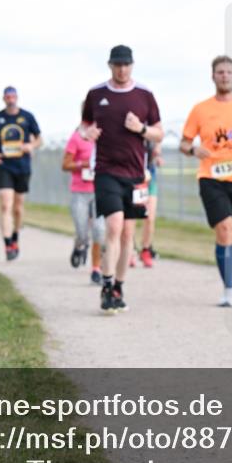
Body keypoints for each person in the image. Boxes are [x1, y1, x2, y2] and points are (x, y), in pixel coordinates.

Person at [81, 44, 163, 314]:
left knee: (128, 233)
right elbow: (85, 125)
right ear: (110, 65)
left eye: (126, 64)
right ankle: (106, 286)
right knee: (114, 226)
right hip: (106, 171)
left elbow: (159, 133)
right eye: (117, 65)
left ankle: (118, 285)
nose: (122, 69)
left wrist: (140, 128)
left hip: (136, 174)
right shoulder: (96, 94)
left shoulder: (144, 95)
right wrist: (87, 134)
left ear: (132, 65)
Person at [180, 55, 232, 307]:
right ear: (213, 76)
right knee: (225, 229)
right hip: (211, 177)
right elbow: (184, 142)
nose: (224, 76)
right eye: (220, 72)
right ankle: (228, 289)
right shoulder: (200, 109)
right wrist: (193, 150)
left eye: (228, 72)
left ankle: (223, 253)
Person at [0, 86, 41, 260]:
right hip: (3, 164)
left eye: (13, 96)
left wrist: (31, 145)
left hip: (22, 165)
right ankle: (7, 244)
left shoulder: (27, 116)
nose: (10, 99)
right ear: (4, 98)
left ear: (17, 97)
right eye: (7, 96)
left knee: (17, 207)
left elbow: (39, 138)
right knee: (5, 204)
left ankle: (15, 236)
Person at [62, 104, 106, 283]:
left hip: (99, 190)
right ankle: (80, 244)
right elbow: (65, 165)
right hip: (80, 191)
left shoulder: (104, 136)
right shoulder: (76, 138)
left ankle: (96, 269)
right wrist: (83, 164)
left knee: (99, 231)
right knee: (82, 231)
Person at [137, 139, 162, 267]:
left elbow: (158, 139)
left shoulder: (151, 127)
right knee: (128, 218)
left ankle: (145, 250)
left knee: (150, 217)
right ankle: (129, 250)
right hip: (132, 177)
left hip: (149, 178)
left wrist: (157, 155)